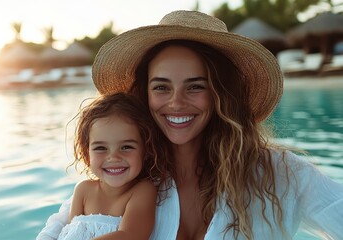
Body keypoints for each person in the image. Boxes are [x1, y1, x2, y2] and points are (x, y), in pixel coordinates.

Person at [37, 10, 343, 240]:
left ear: (221, 93)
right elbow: (59, 228)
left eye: (195, 86)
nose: (176, 103)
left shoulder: (280, 174)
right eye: (161, 87)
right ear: (143, 93)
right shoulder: (128, 170)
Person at [44, 93, 169, 240]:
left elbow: (131, 235)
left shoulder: (142, 191)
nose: (113, 157)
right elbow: (69, 233)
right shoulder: (83, 190)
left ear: (146, 151)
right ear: (86, 153)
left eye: (126, 147)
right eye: (101, 148)